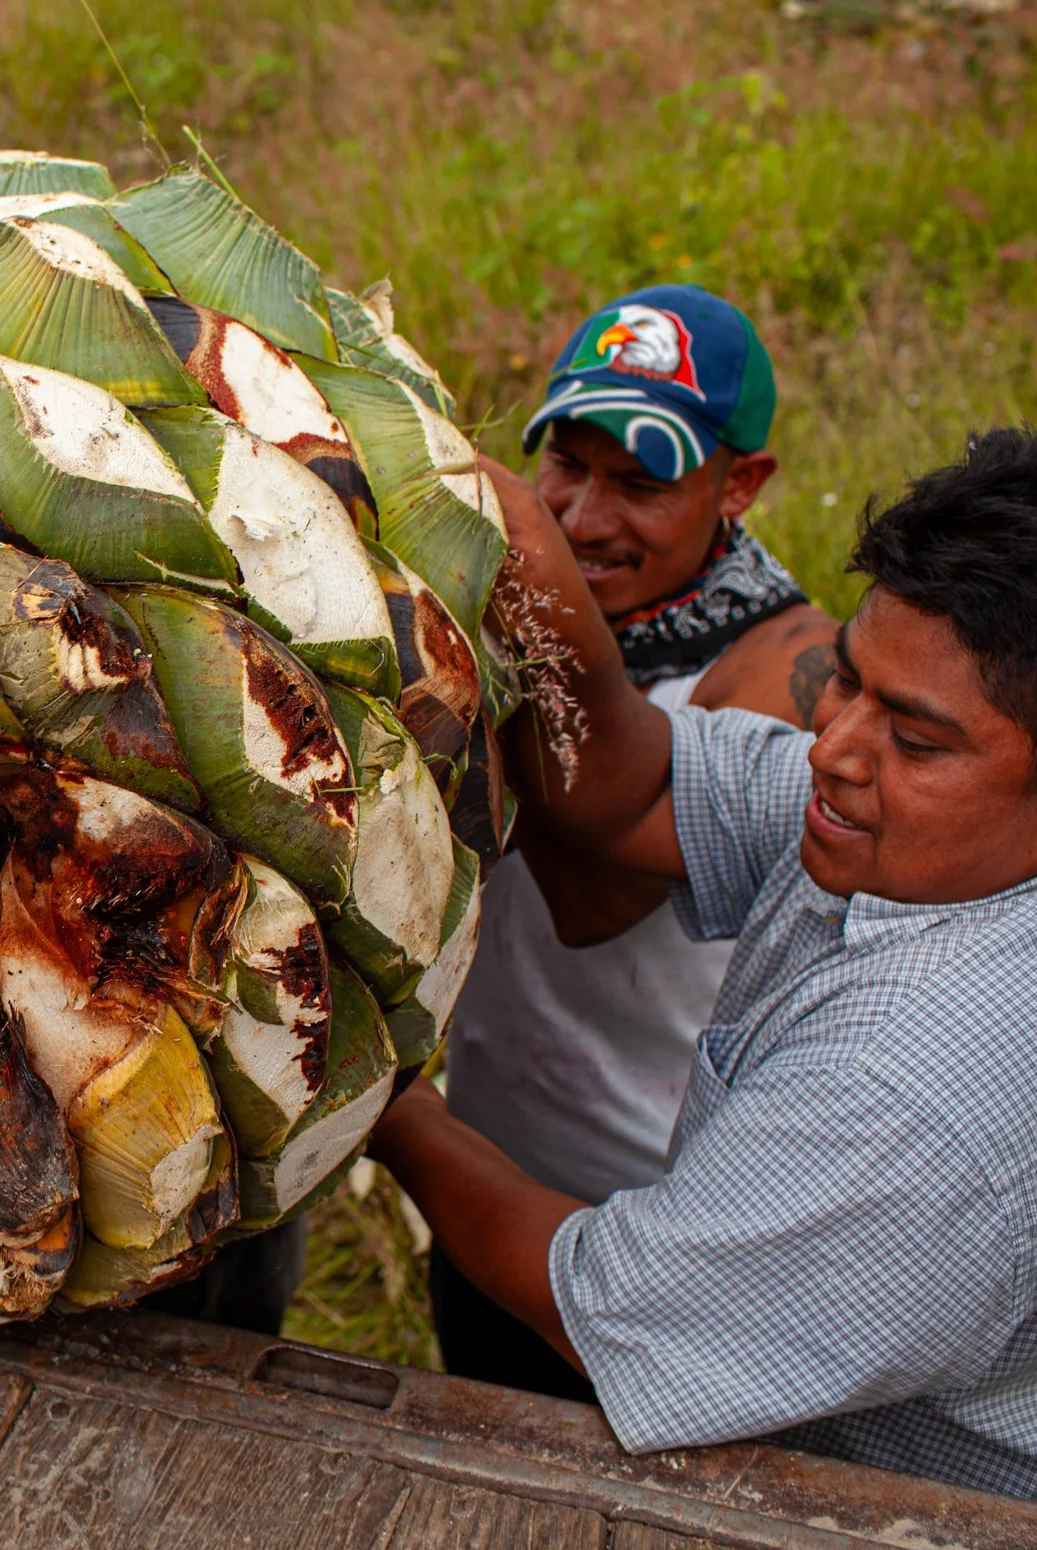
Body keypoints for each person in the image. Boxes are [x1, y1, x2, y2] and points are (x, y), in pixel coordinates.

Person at [371, 427, 1037, 1524]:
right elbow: (635, 790)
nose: (833, 746)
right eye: (851, 681)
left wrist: (386, 1102)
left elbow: (594, 1310)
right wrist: (537, 585)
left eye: (913, 738)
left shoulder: (921, 1091)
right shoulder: (990, 840)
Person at [440, 285, 837, 1400]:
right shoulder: (527, 609)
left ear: (739, 483)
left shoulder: (785, 668)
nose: (582, 518)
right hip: (493, 1161)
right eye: (563, 466)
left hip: (645, 1212)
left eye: (639, 483)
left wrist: (517, 618)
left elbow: (595, 895)